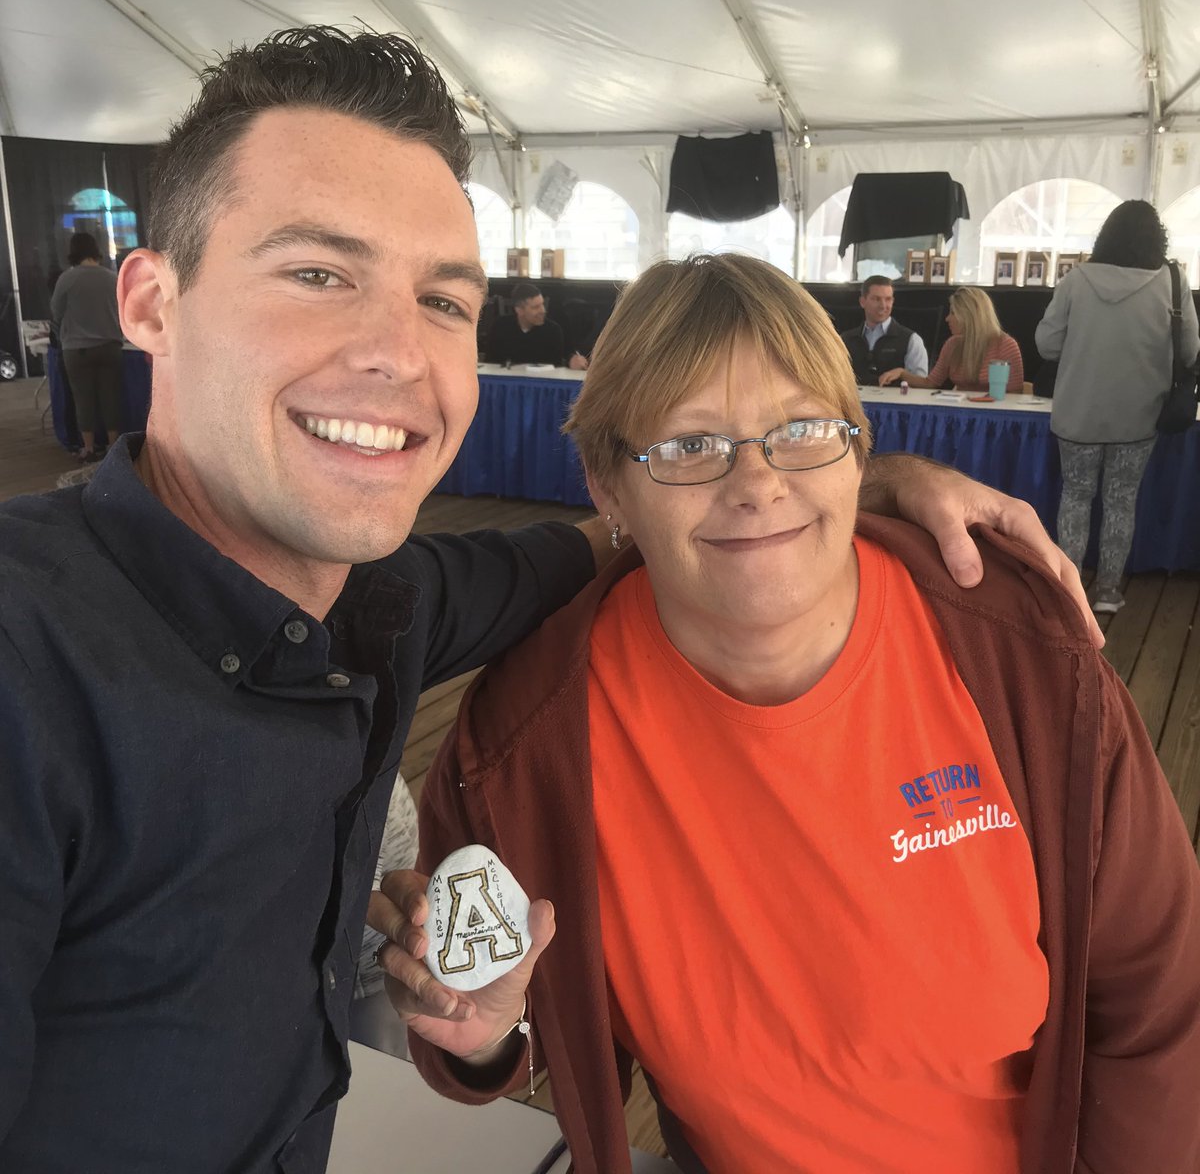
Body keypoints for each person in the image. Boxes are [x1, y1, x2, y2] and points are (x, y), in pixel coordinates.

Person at [0, 27, 1093, 1174]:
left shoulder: (379, 606)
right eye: (317, 274)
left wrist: (801, 478)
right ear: (149, 302)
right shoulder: (32, 653)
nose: (395, 352)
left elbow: (588, 540)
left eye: (443, 301)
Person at [373, 254, 1200, 1174]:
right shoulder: (525, 745)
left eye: (802, 429)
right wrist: (486, 1031)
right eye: (690, 446)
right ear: (607, 485)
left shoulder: (1023, 661)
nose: (757, 482)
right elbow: (513, 1034)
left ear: (858, 449)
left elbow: (1161, 1009)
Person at [1036, 200, 1200, 615]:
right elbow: (1192, 349)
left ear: (1104, 236)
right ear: (1156, 238)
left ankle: (1067, 591)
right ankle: (1108, 591)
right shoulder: (1173, 281)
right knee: (1121, 501)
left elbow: (1047, 344)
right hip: (1139, 416)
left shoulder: (1077, 281)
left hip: (1077, 414)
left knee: (1075, 496)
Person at [50, 230, 126, 462]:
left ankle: (89, 448)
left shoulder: (67, 279)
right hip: (110, 346)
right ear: (96, 250)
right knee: (110, 396)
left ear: (72, 252)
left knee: (83, 399)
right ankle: (114, 447)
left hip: (77, 349)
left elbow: (56, 312)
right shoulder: (112, 277)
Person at [884, 286, 1023, 394]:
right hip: (960, 414)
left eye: (953, 313)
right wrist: (902, 373)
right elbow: (931, 383)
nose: (947, 318)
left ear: (968, 316)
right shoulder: (952, 344)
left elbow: (1016, 393)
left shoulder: (1005, 345)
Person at [840, 274, 929, 386]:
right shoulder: (845, 340)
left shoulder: (911, 340)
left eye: (888, 299)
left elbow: (921, 384)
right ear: (862, 302)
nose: (883, 305)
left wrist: (902, 374)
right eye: (876, 299)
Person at [484, 281, 566, 366]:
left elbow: (556, 369)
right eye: (536, 307)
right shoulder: (500, 327)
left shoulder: (553, 331)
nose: (543, 311)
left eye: (542, 305)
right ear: (519, 310)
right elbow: (490, 363)